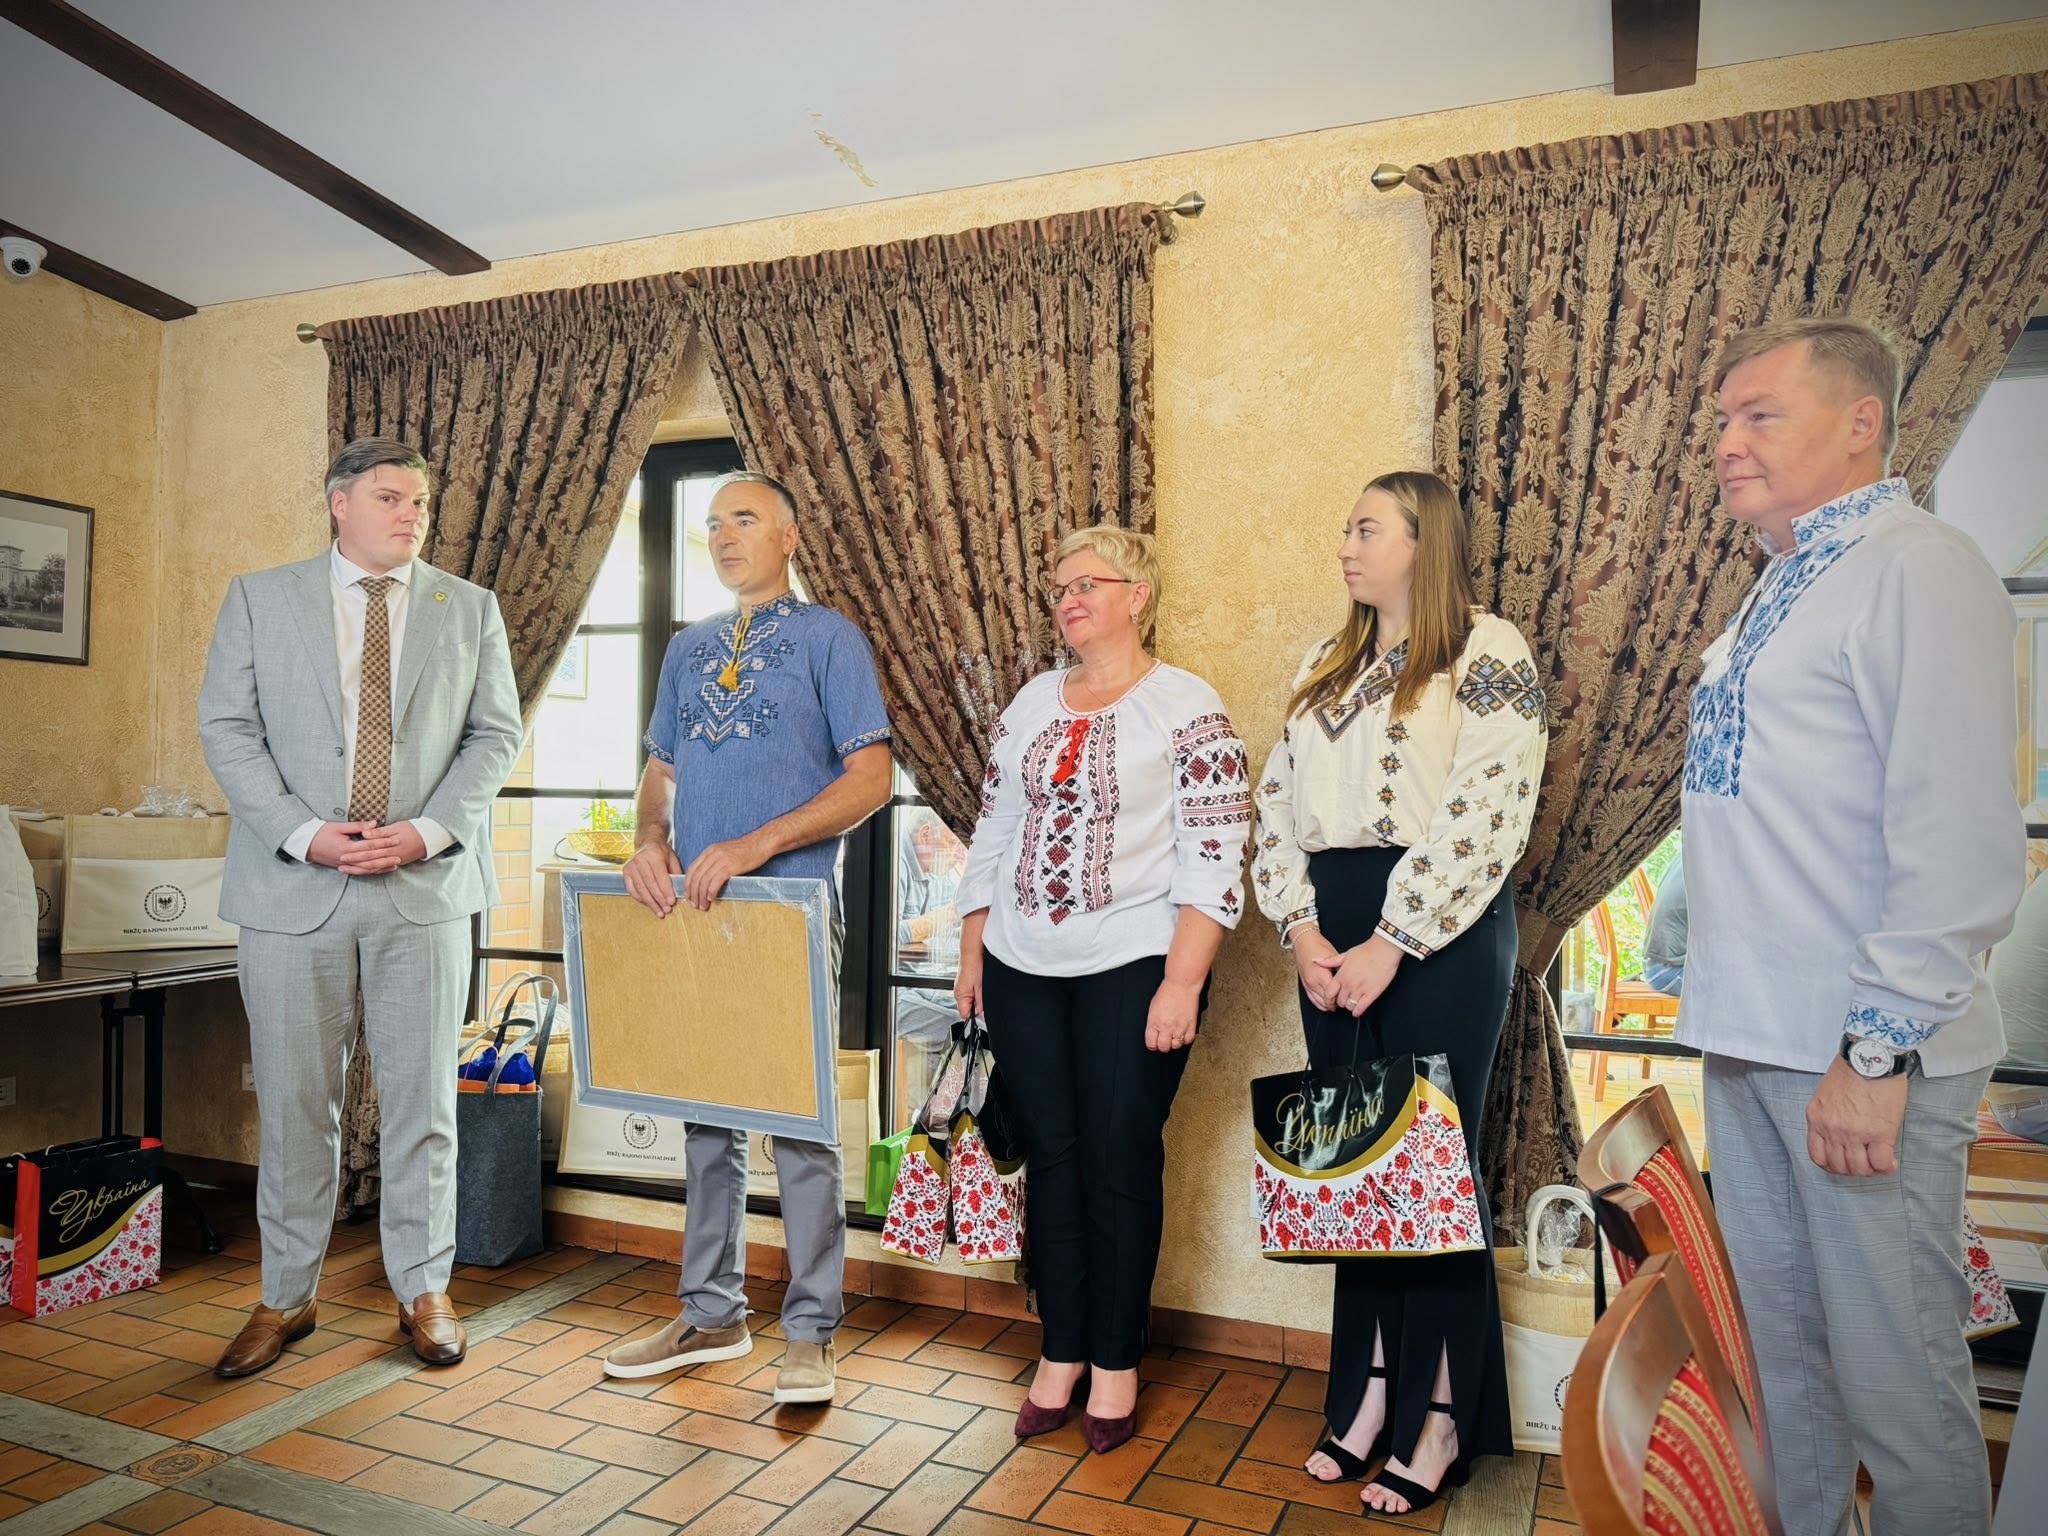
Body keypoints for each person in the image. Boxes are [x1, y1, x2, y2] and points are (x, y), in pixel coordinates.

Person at [1679, 317, 2025, 1536]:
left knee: (1896, 1390)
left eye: (1759, 415)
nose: (1726, 442)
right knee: (1789, 1375)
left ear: (1859, 423)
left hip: (1857, 1055)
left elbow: (1957, 840)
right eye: (1722, 420)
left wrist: (1872, 1057)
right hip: (1754, 1037)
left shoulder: (1915, 567)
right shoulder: (1783, 578)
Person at [1251, 469, 1546, 1516]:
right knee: (1351, 1171)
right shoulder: (1322, 663)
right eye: (1346, 527)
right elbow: (1275, 803)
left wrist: (1393, 936)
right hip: (1329, 931)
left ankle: (1440, 1417)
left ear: (1426, 542)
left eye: (1367, 528)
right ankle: (1369, 1394)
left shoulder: (1488, 651)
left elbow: (1488, 808)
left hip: (1441, 932)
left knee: (1427, 1176)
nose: (1346, 544)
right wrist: (1299, 928)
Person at [197, 437, 522, 1375]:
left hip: (424, 890)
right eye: (390, 497)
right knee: (297, 1105)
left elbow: (495, 736)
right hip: (291, 887)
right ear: (339, 503)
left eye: (419, 500)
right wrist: (303, 833)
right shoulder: (260, 598)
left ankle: (424, 1291)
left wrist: (428, 831)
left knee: (424, 1104)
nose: (412, 513)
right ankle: (285, 1298)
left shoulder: (469, 608)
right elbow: (228, 727)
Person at [953, 527, 1251, 1455]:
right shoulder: (1031, 704)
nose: (1069, 599)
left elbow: (1215, 852)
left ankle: (1116, 1362)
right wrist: (972, 953)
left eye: (1089, 583)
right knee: (1053, 1155)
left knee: (1120, 1157)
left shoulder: (1186, 705)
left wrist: (1183, 983)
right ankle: (1062, 1352)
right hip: (1022, 966)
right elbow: (994, 831)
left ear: (1139, 595)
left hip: (1136, 966)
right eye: (1059, 588)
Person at [601, 471, 892, 1405]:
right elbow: (660, 772)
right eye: (714, 523)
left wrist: (756, 845)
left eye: (746, 519)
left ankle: (810, 1332)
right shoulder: (686, 648)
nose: (725, 536)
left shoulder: (831, 639)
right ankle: (711, 1314)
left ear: (790, 536)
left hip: (788, 910)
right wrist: (650, 841)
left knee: (799, 1125)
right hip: (693, 913)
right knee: (704, 1118)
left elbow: (872, 779)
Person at [1640, 849, 1686, 995]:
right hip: (1669, 972)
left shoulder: (1690, 853)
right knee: (1742, 986)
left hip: (1657, 967)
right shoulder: (1711, 866)